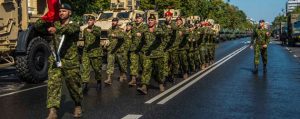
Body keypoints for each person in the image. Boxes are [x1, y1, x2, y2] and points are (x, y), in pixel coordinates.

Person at [46, 3, 83, 118]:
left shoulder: (75, 25)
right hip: (55, 61)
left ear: (70, 13)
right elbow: (40, 27)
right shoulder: (55, 23)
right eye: (60, 11)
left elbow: (69, 30)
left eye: (64, 11)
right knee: (53, 85)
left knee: (74, 86)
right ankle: (53, 111)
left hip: (70, 61)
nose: (61, 13)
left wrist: (56, 29)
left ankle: (77, 104)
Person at [137, 14, 165, 95]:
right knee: (146, 70)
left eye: (152, 20)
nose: (150, 21)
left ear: (155, 21)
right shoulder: (145, 30)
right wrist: (139, 50)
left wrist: (155, 31)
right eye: (149, 20)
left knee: (159, 71)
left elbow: (163, 34)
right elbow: (142, 41)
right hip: (148, 54)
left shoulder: (159, 29)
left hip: (158, 54)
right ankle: (144, 86)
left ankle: (160, 83)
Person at [81, 15, 102, 92]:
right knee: (85, 68)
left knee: (97, 69)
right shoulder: (85, 30)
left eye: (91, 20)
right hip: (86, 52)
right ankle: (85, 84)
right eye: (88, 20)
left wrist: (92, 31)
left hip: (95, 52)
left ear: (94, 21)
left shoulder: (98, 28)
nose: (89, 21)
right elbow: (84, 40)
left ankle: (99, 81)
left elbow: (99, 34)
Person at [104, 18, 127, 85]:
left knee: (121, 64)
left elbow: (122, 36)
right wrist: (106, 42)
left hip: (119, 50)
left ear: (117, 22)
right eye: (113, 21)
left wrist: (115, 35)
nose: (113, 22)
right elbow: (109, 38)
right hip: (111, 50)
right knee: (109, 64)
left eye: (115, 21)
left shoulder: (121, 30)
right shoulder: (109, 30)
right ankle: (109, 78)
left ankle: (122, 74)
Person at [128, 14, 147, 86]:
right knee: (133, 64)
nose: (137, 19)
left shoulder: (145, 26)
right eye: (136, 18)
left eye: (139, 18)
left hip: (142, 48)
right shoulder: (133, 25)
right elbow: (128, 29)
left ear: (142, 19)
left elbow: (145, 32)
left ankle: (144, 80)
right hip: (134, 48)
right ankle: (133, 79)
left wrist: (140, 33)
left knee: (144, 64)